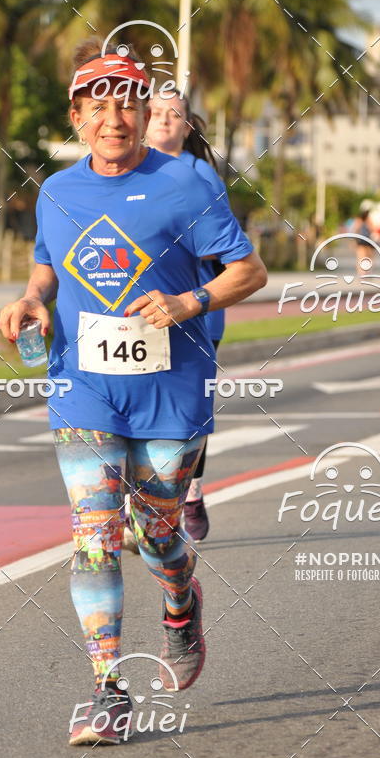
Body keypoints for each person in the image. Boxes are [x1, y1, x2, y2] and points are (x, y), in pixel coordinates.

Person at [0, 38, 267, 746]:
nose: (112, 119)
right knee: (94, 538)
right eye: (97, 107)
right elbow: (48, 264)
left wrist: (188, 302)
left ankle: (180, 603)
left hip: (171, 390)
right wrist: (31, 299)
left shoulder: (188, 183)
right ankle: (107, 690)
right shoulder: (58, 191)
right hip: (83, 385)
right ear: (76, 116)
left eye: (126, 105)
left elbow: (249, 271)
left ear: (146, 113)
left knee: (156, 535)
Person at [145, 91, 230, 542]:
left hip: (196, 316)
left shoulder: (200, 176)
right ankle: (139, 502)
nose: (163, 121)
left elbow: (221, 251)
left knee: (189, 413)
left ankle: (191, 492)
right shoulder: (123, 170)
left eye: (173, 115)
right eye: (156, 113)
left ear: (187, 126)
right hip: (136, 317)